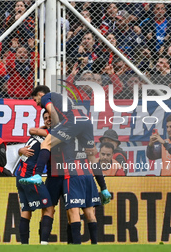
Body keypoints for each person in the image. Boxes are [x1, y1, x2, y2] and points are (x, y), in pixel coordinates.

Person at [20, 85, 111, 244]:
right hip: (59, 172)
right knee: (53, 209)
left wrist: (50, 129)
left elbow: (41, 125)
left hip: (71, 174)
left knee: (73, 212)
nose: (37, 104)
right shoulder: (70, 111)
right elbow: (92, 154)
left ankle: (36, 175)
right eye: (45, 118)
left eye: (36, 101)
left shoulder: (51, 104)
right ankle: (45, 243)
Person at [16, 111, 54, 244]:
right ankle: (44, 244)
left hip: (20, 176)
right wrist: (20, 150)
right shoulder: (51, 135)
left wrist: (20, 151)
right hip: (30, 176)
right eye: (46, 118)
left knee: (26, 211)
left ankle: (24, 245)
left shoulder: (36, 133)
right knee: (49, 208)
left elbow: (32, 130)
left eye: (50, 117)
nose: (48, 120)